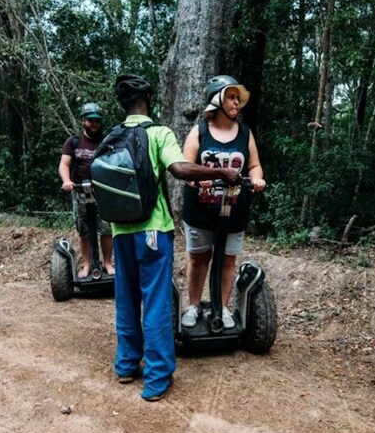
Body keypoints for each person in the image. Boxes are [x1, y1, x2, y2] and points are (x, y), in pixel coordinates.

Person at [108, 74, 239, 402]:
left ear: (122, 104)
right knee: (155, 301)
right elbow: (179, 169)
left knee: (126, 298)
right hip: (153, 230)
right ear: (148, 101)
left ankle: (125, 366)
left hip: (120, 231)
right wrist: (220, 172)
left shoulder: (112, 136)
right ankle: (156, 380)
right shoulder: (157, 133)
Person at [180, 75, 267, 330]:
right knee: (199, 259)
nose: (236, 103)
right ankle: (194, 306)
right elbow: (185, 167)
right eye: (231, 97)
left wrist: (257, 179)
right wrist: (199, 180)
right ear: (216, 98)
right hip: (200, 210)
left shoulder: (245, 133)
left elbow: (254, 165)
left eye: (238, 99)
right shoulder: (200, 132)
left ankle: (223, 307)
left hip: (234, 210)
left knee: (228, 260)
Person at [59, 102, 114, 277]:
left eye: (97, 121)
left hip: (103, 191)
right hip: (79, 191)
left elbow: (115, 163)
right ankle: (87, 265)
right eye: (90, 120)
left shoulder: (107, 141)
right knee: (84, 230)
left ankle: (107, 263)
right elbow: (64, 164)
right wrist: (67, 181)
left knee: (106, 229)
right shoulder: (73, 142)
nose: (94, 124)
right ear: (83, 121)